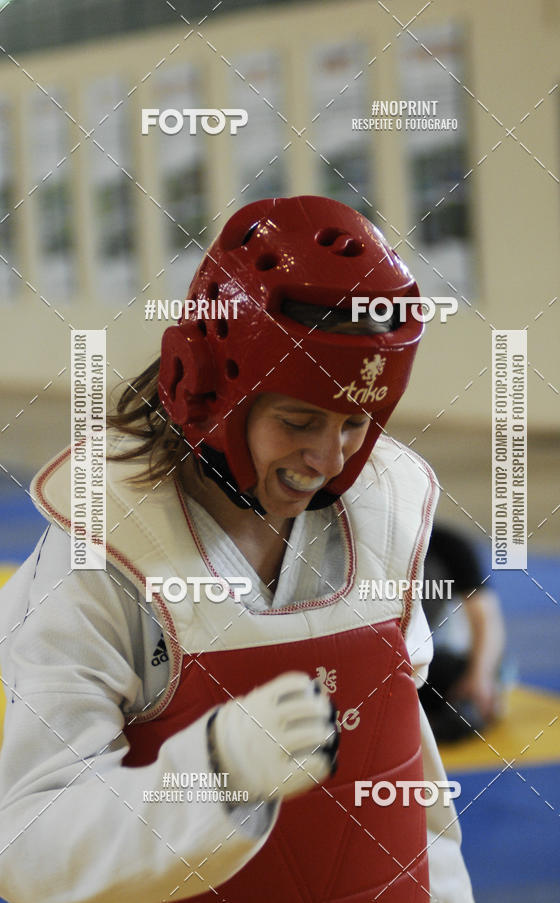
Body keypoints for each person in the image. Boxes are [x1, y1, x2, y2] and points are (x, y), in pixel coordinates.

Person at [0, 196, 474, 903]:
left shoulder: (381, 517)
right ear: (217, 388)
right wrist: (216, 770)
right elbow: (28, 844)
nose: (328, 456)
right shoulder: (103, 555)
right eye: (299, 419)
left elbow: (410, 784)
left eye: (355, 421)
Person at [418, 523, 507, 742]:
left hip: (431, 657)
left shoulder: (447, 545)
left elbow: (486, 618)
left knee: (466, 707)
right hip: (385, 661)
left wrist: (480, 675)